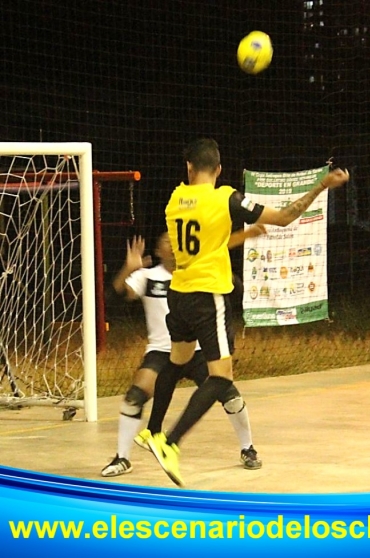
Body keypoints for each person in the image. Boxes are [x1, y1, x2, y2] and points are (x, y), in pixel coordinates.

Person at [148, 137, 349, 487]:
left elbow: (211, 243)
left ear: (189, 168)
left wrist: (243, 236)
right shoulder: (226, 197)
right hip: (206, 296)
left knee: (177, 361)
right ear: (220, 170)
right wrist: (323, 184)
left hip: (177, 294)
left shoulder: (176, 198)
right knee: (221, 377)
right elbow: (286, 217)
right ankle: (170, 442)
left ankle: (152, 430)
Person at [101, 230, 264, 478]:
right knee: (135, 396)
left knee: (230, 396)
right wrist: (128, 268)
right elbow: (118, 293)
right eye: (167, 242)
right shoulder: (149, 276)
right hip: (162, 352)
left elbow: (234, 289)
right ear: (158, 251)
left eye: (178, 242)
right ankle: (122, 457)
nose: (174, 246)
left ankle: (248, 449)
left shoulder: (198, 273)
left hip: (198, 351)